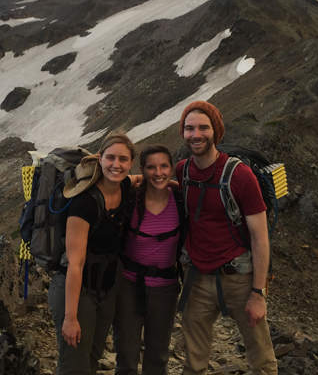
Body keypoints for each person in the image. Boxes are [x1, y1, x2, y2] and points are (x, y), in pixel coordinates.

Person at [175, 101, 277, 375]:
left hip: (240, 279)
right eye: (189, 128)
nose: (196, 134)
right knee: (193, 364)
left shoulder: (240, 176)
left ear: (216, 132)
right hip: (196, 279)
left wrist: (258, 294)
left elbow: (260, 237)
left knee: (262, 362)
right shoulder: (182, 171)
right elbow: (153, 183)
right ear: (183, 133)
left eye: (203, 127)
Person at [48, 131, 136, 375]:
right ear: (100, 159)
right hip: (76, 292)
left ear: (131, 163)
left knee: (92, 361)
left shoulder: (125, 186)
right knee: (73, 367)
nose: (116, 165)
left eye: (123, 159)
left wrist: (170, 183)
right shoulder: (84, 203)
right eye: (110, 158)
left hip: (104, 292)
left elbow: (141, 179)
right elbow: (75, 264)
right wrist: (70, 317)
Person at [112, 144, 185, 375]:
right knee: (126, 356)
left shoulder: (181, 201)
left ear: (172, 169)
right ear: (142, 170)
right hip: (128, 286)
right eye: (151, 167)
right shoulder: (130, 199)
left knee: (158, 356)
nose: (158, 172)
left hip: (166, 289)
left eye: (164, 166)